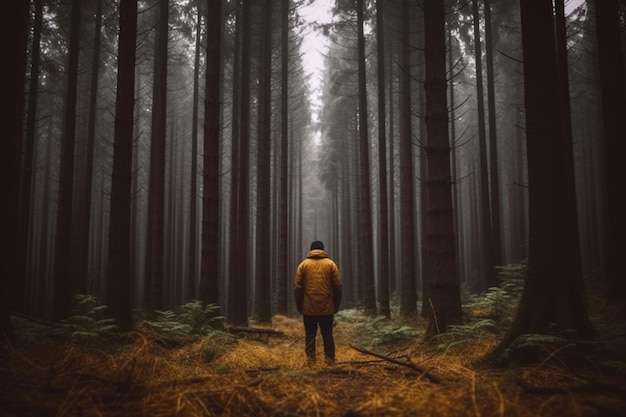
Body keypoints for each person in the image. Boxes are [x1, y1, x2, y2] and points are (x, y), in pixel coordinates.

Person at [294, 240, 342, 366]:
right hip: (327, 307)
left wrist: (300, 306)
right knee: (327, 335)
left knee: (310, 335)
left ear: (311, 250)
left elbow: (298, 288)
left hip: (308, 308)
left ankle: (311, 363)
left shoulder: (303, 265)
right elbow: (337, 286)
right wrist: (336, 305)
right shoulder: (330, 264)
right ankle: (330, 362)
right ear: (323, 249)